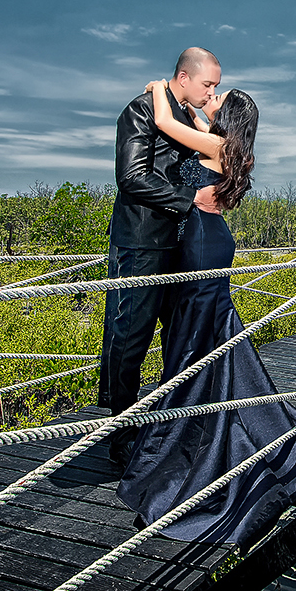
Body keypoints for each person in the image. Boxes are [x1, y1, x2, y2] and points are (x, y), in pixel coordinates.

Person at [117, 79, 296, 542]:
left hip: (199, 242)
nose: (208, 100)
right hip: (214, 242)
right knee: (205, 340)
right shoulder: (236, 149)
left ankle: (186, 448)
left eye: (218, 98)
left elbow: (162, 121)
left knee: (192, 343)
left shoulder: (216, 142)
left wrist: (160, 86)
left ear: (228, 117)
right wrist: (201, 109)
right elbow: (198, 121)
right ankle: (203, 421)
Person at [101, 48, 222, 466]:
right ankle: (120, 428)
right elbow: (131, 177)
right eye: (208, 85)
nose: (211, 93)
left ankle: (169, 423)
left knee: (178, 335)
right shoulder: (139, 110)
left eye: (217, 88)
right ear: (184, 78)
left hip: (183, 245)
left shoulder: (185, 117)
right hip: (141, 242)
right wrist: (189, 201)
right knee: (130, 334)